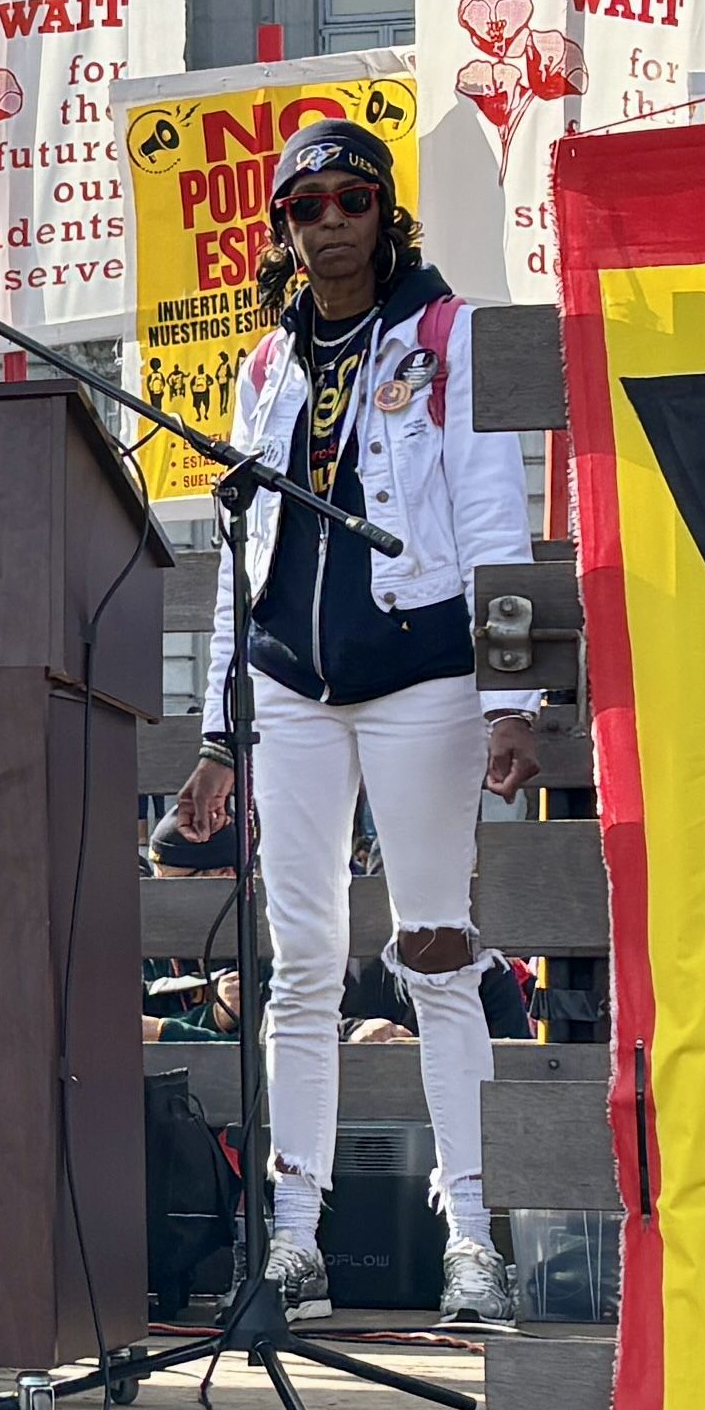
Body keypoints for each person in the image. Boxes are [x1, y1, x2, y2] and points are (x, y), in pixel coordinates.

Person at [155, 115, 545, 1323]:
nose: (329, 222)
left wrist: (510, 691)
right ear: (282, 228)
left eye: (351, 200)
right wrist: (220, 735)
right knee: (303, 967)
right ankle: (295, 1237)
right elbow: (242, 557)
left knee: (437, 948)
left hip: (421, 668)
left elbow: (491, 512)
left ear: (386, 214)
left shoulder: (447, 332)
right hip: (290, 686)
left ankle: (473, 1237)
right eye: (307, 205)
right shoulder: (263, 370)